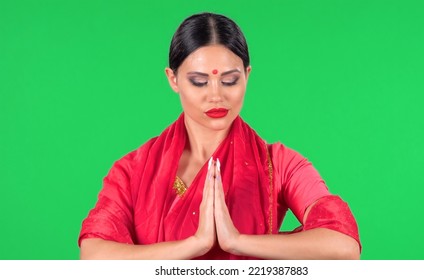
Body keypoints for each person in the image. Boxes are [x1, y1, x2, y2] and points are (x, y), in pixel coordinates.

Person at [78, 12, 361, 260]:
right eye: (199, 81)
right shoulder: (134, 170)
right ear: (173, 79)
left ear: (247, 76)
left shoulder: (279, 164)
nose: (216, 95)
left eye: (230, 80)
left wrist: (236, 241)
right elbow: (95, 254)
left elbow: (343, 245)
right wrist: (194, 244)